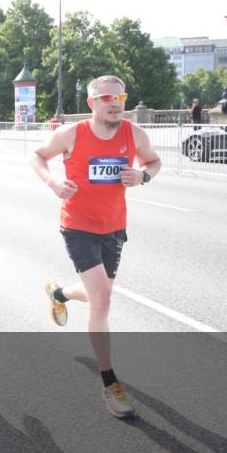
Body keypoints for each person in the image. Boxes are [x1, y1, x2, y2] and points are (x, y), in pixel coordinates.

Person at [30, 75, 161, 419]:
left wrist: (143, 176)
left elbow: (154, 162)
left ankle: (59, 294)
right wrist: (53, 181)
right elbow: (38, 156)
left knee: (97, 294)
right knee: (101, 299)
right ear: (91, 103)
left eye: (120, 96)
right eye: (106, 97)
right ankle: (110, 383)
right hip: (78, 226)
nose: (115, 102)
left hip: (114, 227)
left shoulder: (134, 133)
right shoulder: (72, 134)